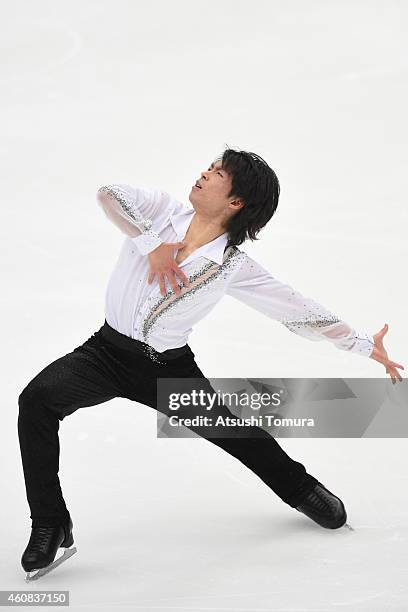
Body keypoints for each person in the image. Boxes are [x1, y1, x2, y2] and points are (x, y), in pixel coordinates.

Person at [18, 147, 404, 581]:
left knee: (237, 434)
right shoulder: (160, 214)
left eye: (218, 173)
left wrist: (361, 344)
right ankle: (50, 522)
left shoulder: (233, 266)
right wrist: (152, 245)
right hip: (103, 354)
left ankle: (301, 488)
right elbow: (109, 195)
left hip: (166, 369)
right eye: (211, 166)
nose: (205, 172)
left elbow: (297, 309)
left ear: (236, 202)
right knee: (35, 402)